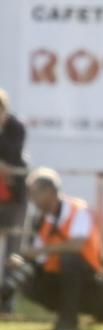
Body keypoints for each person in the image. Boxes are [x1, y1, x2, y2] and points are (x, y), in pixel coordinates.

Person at [12, 168, 103, 330]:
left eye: (34, 193)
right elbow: (37, 255)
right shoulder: (42, 218)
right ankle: (66, 312)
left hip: (88, 276)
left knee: (69, 259)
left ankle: (68, 320)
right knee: (26, 276)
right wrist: (21, 260)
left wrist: (39, 251)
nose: (31, 199)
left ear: (49, 192)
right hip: (57, 274)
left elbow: (76, 245)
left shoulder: (77, 210)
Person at [0, 89, 28, 313]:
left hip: (13, 199)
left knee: (12, 252)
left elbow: (13, 154)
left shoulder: (15, 128)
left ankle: (7, 302)